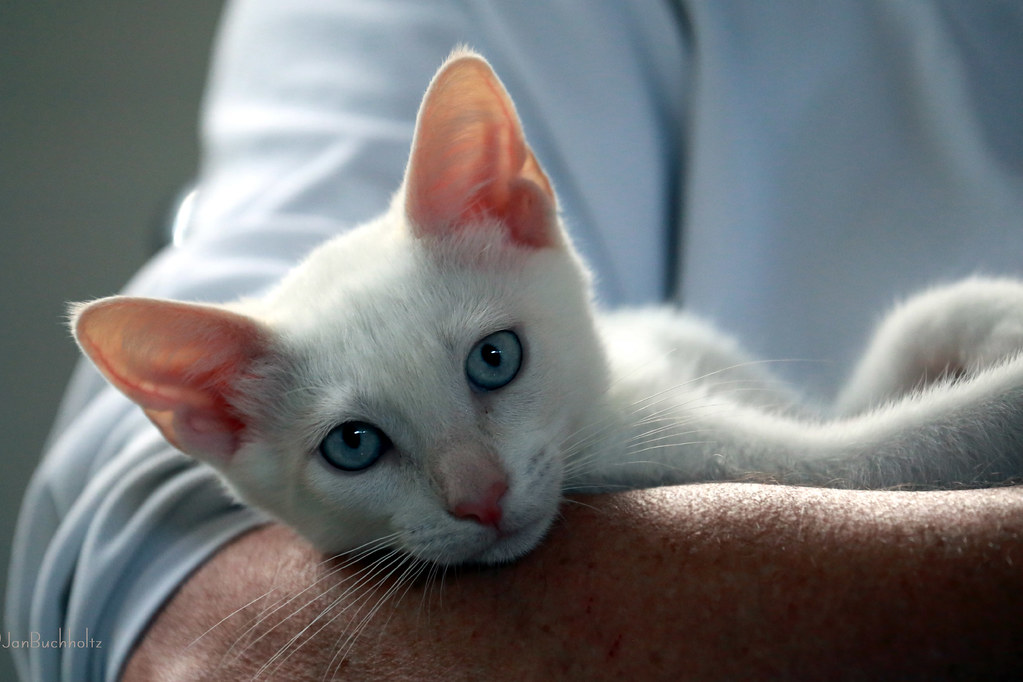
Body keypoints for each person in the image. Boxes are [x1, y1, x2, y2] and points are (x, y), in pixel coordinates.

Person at [8, 1, 1023, 679]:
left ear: (516, 217)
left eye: (494, 363)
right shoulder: (622, 439)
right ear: (220, 421)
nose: (476, 492)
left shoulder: (637, 381)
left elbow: (859, 482)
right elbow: (874, 478)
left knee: (935, 332)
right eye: (357, 444)